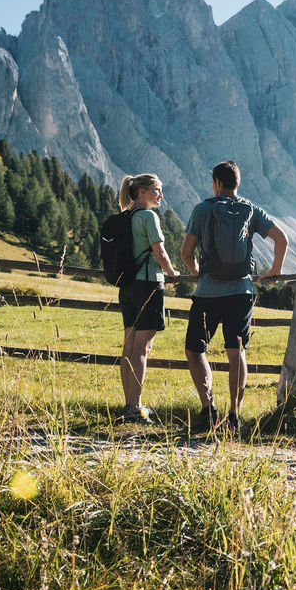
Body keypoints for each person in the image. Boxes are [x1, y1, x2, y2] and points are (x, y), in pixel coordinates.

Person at [182, 160, 288, 432]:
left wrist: (197, 273)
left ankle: (208, 411)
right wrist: (274, 271)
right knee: (236, 351)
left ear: (216, 183)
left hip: (208, 293)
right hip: (241, 292)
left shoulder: (203, 209)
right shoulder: (250, 209)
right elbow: (282, 239)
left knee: (195, 350)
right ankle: (234, 415)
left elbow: (186, 252)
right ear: (237, 183)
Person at [115, 173, 180, 422]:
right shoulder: (148, 216)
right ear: (142, 192)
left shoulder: (127, 216)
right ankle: (136, 407)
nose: (161, 195)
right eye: (157, 189)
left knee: (129, 347)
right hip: (148, 283)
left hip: (128, 286)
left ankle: (128, 405)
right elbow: (159, 251)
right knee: (143, 348)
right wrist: (172, 272)